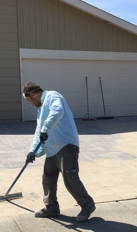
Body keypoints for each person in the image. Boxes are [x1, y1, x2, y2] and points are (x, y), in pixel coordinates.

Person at [23, 81, 96, 222]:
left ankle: (87, 205)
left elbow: (58, 111)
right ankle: (51, 208)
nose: (30, 103)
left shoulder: (52, 96)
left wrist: (45, 129)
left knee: (70, 179)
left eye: (28, 100)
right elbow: (39, 131)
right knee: (47, 179)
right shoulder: (40, 110)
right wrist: (32, 151)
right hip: (52, 150)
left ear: (32, 94)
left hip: (66, 146)